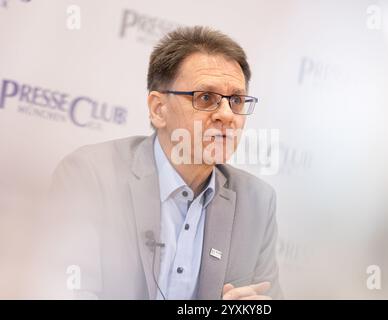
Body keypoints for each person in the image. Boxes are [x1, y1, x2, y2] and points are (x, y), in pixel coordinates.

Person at [45, 25, 282, 300]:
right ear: (159, 109)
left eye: (237, 100)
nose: (227, 116)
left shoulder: (258, 201)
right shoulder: (89, 176)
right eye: (206, 98)